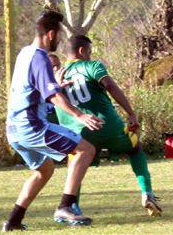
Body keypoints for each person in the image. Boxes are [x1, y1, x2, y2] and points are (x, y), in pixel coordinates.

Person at [3, 10, 105, 231]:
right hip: (32, 127)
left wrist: (54, 85)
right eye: (59, 35)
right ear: (51, 34)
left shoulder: (24, 53)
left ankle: (12, 222)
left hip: (13, 129)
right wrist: (79, 115)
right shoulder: (40, 57)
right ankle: (66, 206)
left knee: (45, 170)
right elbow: (53, 97)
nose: (60, 40)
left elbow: (34, 89)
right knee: (86, 150)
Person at [55, 34, 162, 217]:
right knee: (135, 147)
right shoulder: (92, 66)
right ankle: (147, 193)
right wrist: (131, 113)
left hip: (78, 134)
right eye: (89, 52)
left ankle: (71, 207)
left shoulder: (56, 76)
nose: (90, 55)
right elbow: (110, 85)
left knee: (74, 163)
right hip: (106, 126)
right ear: (82, 51)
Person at [47, 54, 61, 124]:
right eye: (52, 66)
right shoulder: (42, 81)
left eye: (57, 65)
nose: (56, 68)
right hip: (48, 115)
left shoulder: (65, 78)